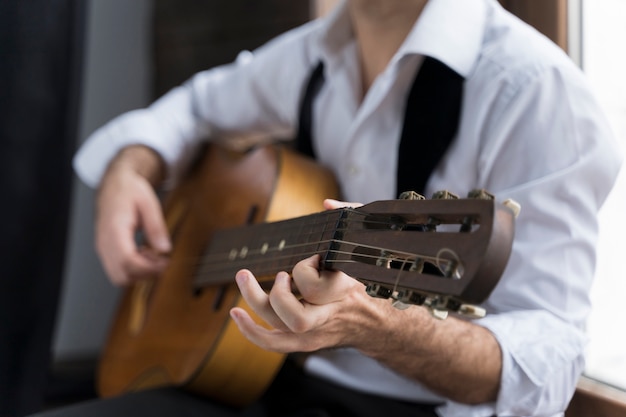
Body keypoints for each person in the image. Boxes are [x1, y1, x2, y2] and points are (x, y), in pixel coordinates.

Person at [35, 0, 622, 416]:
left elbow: (548, 358)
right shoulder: (315, 53)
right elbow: (194, 107)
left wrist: (379, 327)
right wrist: (130, 168)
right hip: (265, 382)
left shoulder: (537, 94)